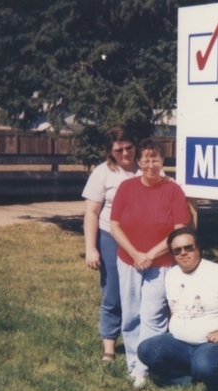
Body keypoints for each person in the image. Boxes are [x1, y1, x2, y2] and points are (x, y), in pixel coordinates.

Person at [110, 138, 191, 388]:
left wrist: (149, 255)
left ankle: (145, 367)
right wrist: (135, 254)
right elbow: (114, 225)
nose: (150, 164)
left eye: (155, 159)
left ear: (162, 161)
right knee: (131, 314)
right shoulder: (126, 188)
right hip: (128, 260)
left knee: (153, 315)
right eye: (145, 159)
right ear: (138, 161)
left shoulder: (173, 190)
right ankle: (134, 366)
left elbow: (179, 231)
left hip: (162, 263)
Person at [137, 227, 218, 391]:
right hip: (179, 341)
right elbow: (175, 306)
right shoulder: (172, 275)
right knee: (146, 349)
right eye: (177, 250)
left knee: (205, 365)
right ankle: (186, 379)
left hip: (213, 343)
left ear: (199, 248)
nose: (183, 253)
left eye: (188, 248)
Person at [82, 125, 138, 363]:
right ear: (110, 151)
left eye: (128, 148)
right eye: (118, 150)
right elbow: (91, 213)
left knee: (141, 292)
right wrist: (91, 248)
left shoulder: (146, 168)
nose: (125, 154)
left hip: (141, 241)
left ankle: (141, 341)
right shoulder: (103, 172)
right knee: (113, 292)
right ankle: (110, 346)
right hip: (109, 237)